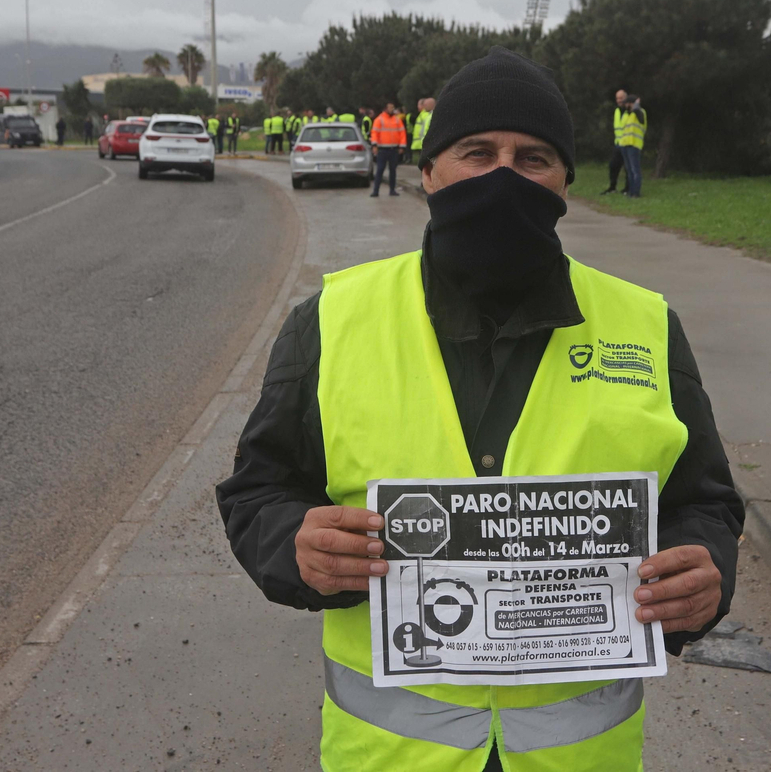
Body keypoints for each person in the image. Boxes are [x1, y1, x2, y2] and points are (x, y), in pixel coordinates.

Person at [217, 47, 741, 772]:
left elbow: (705, 501)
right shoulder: (331, 322)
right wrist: (294, 545)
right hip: (390, 756)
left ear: (564, 182)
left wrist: (706, 571)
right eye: (477, 152)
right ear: (427, 171)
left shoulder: (646, 328)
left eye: (532, 158)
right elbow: (257, 492)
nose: (502, 175)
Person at [367, 101, 406, 197]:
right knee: (380, 170)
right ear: (385, 109)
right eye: (390, 107)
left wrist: (402, 146)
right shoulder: (379, 120)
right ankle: (376, 191)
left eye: (393, 107)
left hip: (394, 149)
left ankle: (392, 190)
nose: (392, 109)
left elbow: (402, 134)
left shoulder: (397, 120)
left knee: (393, 170)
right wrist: (374, 145)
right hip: (382, 149)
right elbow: (374, 133)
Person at [619, 95, 647, 198]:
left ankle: (636, 193)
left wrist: (636, 106)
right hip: (624, 145)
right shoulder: (626, 114)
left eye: (627, 103)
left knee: (635, 170)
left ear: (631, 103)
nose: (625, 105)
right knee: (629, 170)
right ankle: (631, 192)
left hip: (634, 145)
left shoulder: (640, 112)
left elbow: (642, 121)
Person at [602, 89, 628, 194]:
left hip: (628, 144)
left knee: (628, 169)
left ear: (626, 98)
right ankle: (612, 187)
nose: (619, 100)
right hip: (618, 144)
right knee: (613, 166)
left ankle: (627, 189)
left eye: (621, 98)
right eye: (617, 98)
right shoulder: (617, 111)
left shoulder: (630, 110)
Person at [409, 96, 434, 164]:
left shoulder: (427, 114)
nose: (418, 106)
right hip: (422, 142)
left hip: (425, 143)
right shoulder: (425, 114)